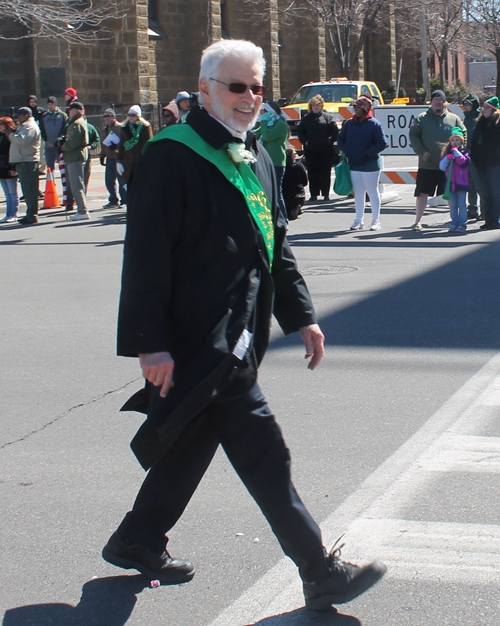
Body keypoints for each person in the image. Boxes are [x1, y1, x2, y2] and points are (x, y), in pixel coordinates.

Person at [102, 38, 386, 612]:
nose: (250, 97)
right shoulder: (170, 154)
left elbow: (273, 244)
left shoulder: (255, 152)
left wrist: (301, 316)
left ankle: (136, 540)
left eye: (258, 87)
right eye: (237, 87)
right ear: (204, 89)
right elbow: (146, 255)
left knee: (193, 441)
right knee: (264, 453)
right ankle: (319, 569)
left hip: (242, 332)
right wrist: (149, 344)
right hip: (198, 340)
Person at [409, 89, 466, 231]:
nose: (438, 103)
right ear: (431, 103)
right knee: (422, 193)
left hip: (449, 166)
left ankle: (454, 221)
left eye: (441, 101)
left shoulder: (453, 118)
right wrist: (422, 152)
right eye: (435, 101)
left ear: (445, 102)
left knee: (449, 194)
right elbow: (413, 135)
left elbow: (463, 133)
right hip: (427, 164)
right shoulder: (421, 118)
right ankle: (418, 221)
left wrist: (460, 151)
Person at [337, 96, 388, 231]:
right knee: (358, 193)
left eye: (358, 107)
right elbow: (340, 139)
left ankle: (376, 221)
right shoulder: (349, 123)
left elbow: (382, 143)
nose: (355, 110)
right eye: (355, 107)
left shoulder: (374, 124)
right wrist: (347, 150)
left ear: (365, 109)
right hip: (354, 164)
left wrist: (367, 153)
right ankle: (358, 220)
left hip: (370, 165)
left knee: (372, 192)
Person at [297, 94, 338, 201]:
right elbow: (300, 132)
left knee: (325, 172)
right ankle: (314, 194)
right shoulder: (306, 118)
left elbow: (335, 131)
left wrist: (330, 141)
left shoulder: (327, 117)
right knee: (312, 172)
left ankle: (326, 194)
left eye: (318, 105)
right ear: (311, 106)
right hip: (311, 150)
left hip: (325, 150)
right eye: (314, 105)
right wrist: (305, 142)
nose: (316, 107)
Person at [254, 101, 289, 220]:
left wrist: (263, 121)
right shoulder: (269, 124)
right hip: (266, 161)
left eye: (266, 111)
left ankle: (283, 218)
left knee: (276, 192)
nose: (264, 114)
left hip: (277, 161)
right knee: (266, 190)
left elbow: (267, 136)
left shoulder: (280, 124)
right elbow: (257, 134)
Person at [5, 107, 40, 225]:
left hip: (28, 161)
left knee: (30, 189)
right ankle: (30, 213)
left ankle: (32, 214)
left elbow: (24, 141)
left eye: (19, 115)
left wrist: (10, 135)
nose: (18, 118)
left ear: (26, 115)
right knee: (27, 189)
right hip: (23, 161)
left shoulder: (30, 126)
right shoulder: (24, 126)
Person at [471, 96, 500, 230]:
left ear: (494, 109)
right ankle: (488, 219)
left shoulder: (497, 124)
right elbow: (474, 141)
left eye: (487, 107)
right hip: (480, 163)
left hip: (495, 163)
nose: (484, 110)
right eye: (483, 107)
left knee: (495, 192)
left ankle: (495, 220)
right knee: (485, 192)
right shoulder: (480, 123)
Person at [58, 101, 90, 221]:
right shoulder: (76, 122)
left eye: (70, 110)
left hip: (75, 157)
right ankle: (82, 209)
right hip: (74, 156)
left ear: (76, 110)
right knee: (77, 184)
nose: (68, 112)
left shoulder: (76, 124)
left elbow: (73, 142)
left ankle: (82, 211)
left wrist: (62, 146)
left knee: (76, 184)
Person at [439, 127, 470, 233]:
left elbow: (464, 162)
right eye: (453, 140)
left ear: (461, 141)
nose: (455, 142)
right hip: (450, 184)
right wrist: (447, 158)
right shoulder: (448, 154)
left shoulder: (465, 152)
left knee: (462, 205)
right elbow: (442, 167)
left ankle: (462, 224)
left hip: (462, 184)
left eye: (457, 140)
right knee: (453, 205)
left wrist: (456, 153)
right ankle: (454, 223)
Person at [117, 105, 153, 189]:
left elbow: (149, 144)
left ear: (138, 116)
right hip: (128, 161)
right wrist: (119, 160)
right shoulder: (124, 128)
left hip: (140, 160)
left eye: (133, 115)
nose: (130, 117)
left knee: (141, 185)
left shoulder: (145, 127)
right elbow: (122, 144)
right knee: (129, 186)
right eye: (129, 115)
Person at [100, 109, 126, 208]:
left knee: (121, 181)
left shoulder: (119, 128)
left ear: (113, 116)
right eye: (104, 116)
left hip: (118, 158)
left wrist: (116, 148)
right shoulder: (105, 129)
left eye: (108, 115)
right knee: (109, 181)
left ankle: (124, 200)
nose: (106, 118)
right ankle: (113, 200)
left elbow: (124, 143)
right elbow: (103, 143)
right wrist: (103, 155)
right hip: (109, 158)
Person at [462, 93, 482, 220]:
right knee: (470, 185)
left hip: (476, 156)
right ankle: (472, 208)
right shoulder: (466, 119)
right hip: (467, 155)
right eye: (464, 104)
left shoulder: (477, 119)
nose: (465, 106)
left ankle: (485, 210)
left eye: (468, 104)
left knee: (479, 184)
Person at [40, 97, 67, 173]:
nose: (50, 106)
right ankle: (51, 181)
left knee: (62, 165)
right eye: (49, 104)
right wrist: (46, 139)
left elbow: (65, 128)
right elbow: (42, 129)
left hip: (59, 146)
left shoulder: (62, 115)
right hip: (48, 145)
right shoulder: (44, 116)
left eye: (52, 104)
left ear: (55, 104)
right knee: (50, 167)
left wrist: (60, 139)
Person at [0, 117, 19, 223]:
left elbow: (14, 152)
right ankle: (8, 214)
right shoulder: (1, 136)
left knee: (12, 192)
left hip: (9, 166)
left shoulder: (11, 136)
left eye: (1, 124)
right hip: (1, 168)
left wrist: (13, 168)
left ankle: (14, 214)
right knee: (7, 193)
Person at [282, 147, 308, 220]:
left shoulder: (282, 168)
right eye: (294, 153)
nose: (296, 154)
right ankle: (297, 207)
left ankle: (291, 210)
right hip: (299, 195)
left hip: (285, 195)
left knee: (286, 208)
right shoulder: (299, 166)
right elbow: (305, 182)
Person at [84, 119, 100, 193]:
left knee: (85, 175)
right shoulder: (70, 126)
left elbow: (97, 139)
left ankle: (83, 195)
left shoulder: (89, 127)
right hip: (73, 155)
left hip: (86, 155)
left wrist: (91, 146)